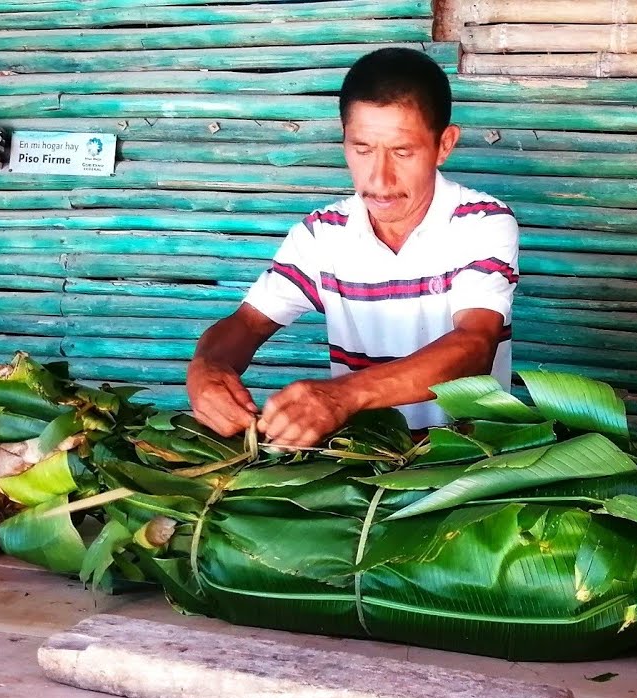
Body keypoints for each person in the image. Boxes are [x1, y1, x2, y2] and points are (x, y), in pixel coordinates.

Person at [186, 47, 519, 448]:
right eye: (361, 150)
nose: (379, 178)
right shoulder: (321, 235)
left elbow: (475, 346)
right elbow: (249, 322)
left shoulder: (480, 222)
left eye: (402, 151)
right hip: (364, 460)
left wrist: (344, 394)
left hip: (471, 456)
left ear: (444, 144)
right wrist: (207, 367)